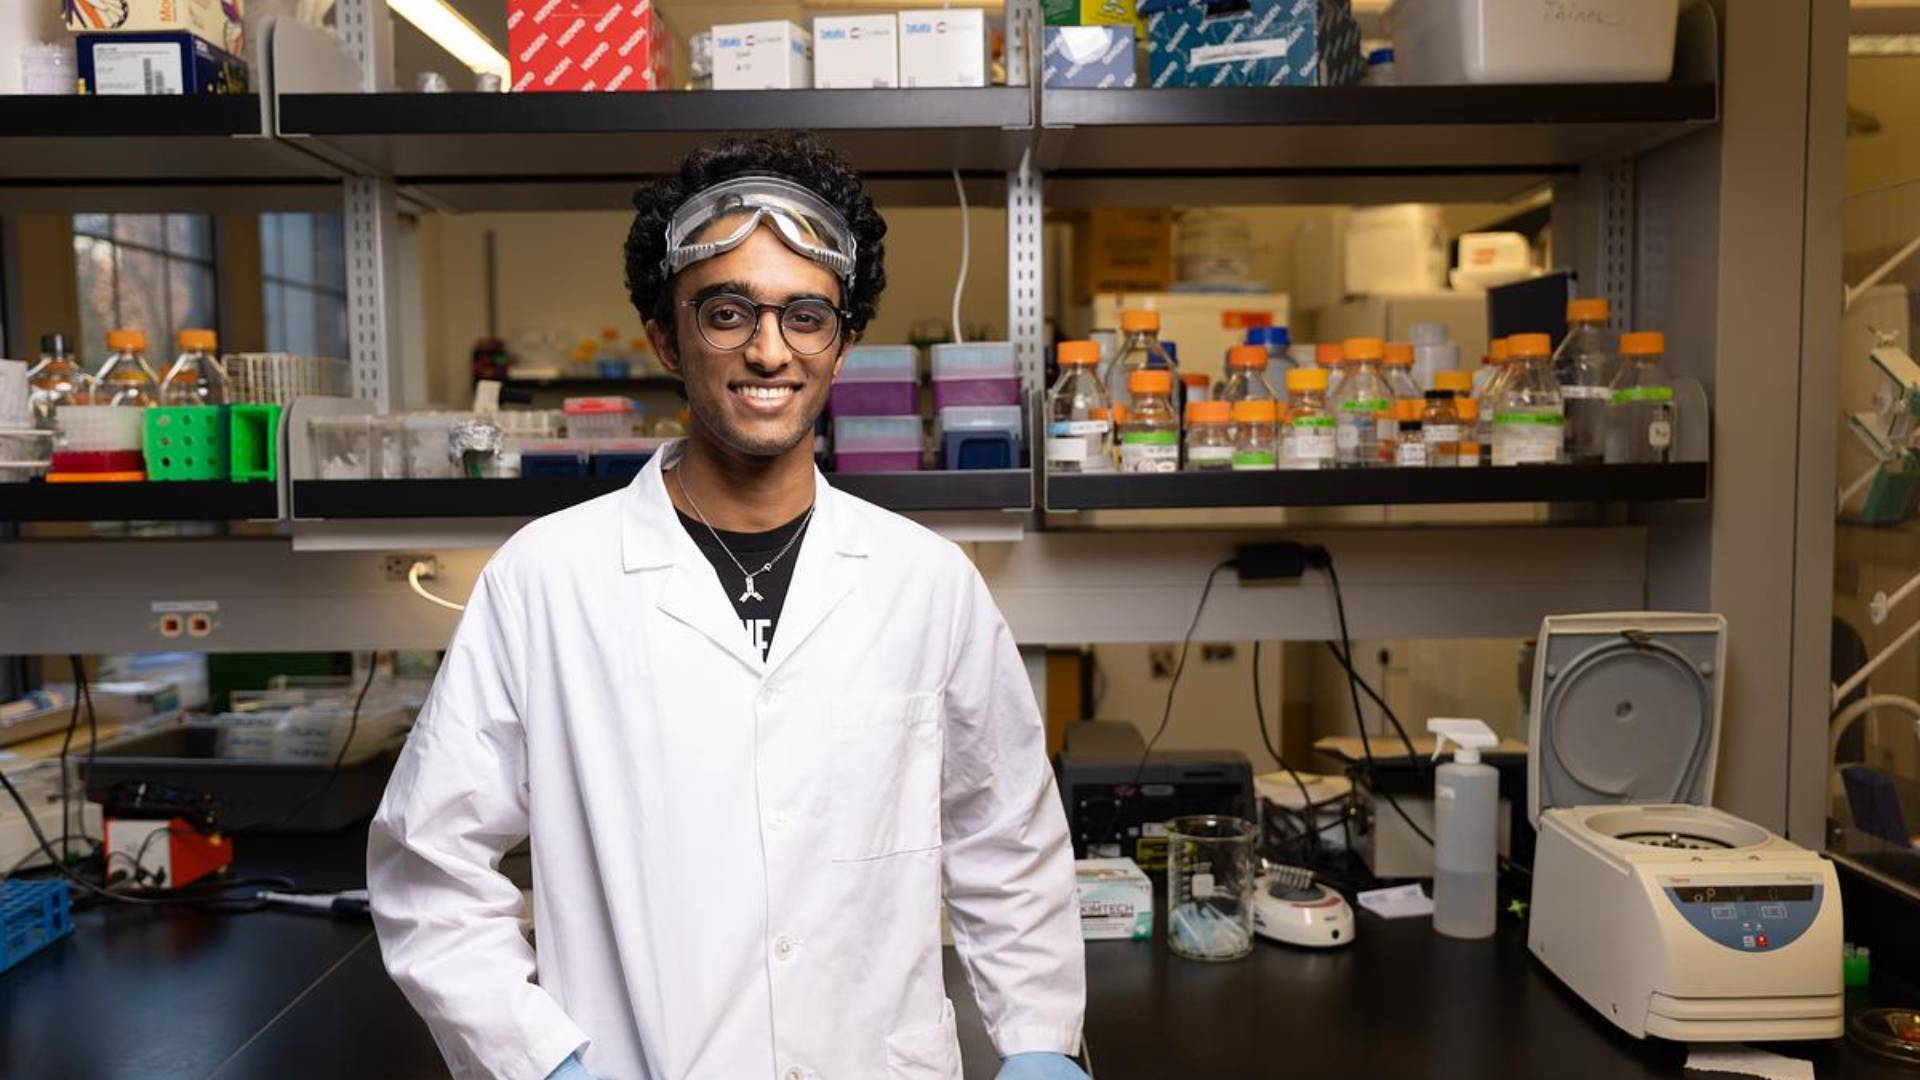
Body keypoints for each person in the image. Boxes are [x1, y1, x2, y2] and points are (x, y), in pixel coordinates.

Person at [367, 134, 1088, 1080]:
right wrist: (535, 1060)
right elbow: (431, 871)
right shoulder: (547, 580)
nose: (768, 349)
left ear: (842, 344)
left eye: (805, 316)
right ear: (666, 337)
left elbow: (1008, 845)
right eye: (727, 311)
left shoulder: (928, 583)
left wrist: (1038, 1040)